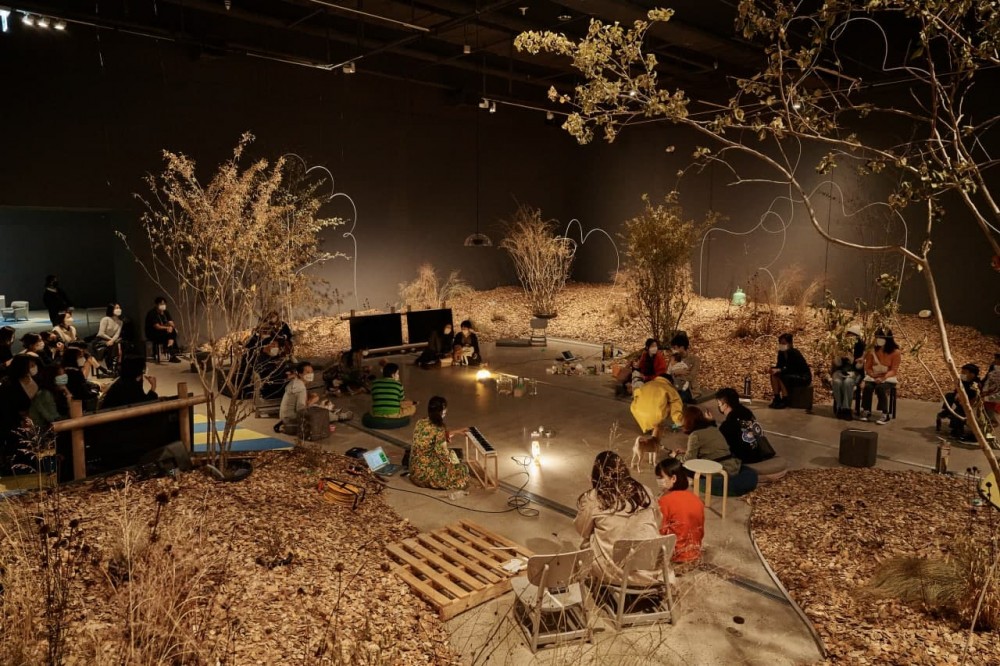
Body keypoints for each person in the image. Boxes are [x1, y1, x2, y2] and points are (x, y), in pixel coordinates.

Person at [574, 450, 662, 586]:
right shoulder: (644, 491)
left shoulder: (594, 498)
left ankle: (594, 585)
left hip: (616, 575)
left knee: (588, 541)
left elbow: (582, 530)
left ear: (597, 475)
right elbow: (658, 522)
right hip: (652, 571)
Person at [671, 405, 758, 497]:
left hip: (719, 469)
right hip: (733, 465)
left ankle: (695, 482)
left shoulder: (695, 435)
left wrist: (676, 456)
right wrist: (686, 451)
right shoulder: (712, 428)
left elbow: (689, 459)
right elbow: (710, 449)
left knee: (682, 466)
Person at [408, 396, 470, 490]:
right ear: (442, 411)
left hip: (414, 472)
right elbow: (442, 454)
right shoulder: (439, 428)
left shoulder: (420, 422)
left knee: (452, 455)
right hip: (424, 475)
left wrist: (456, 432)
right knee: (463, 469)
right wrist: (454, 466)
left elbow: (431, 436)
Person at [654, 457, 705, 564]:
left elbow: (660, 532)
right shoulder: (696, 499)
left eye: (661, 477)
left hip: (676, 556)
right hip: (695, 552)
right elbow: (700, 531)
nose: (659, 481)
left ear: (673, 478)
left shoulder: (665, 501)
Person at [715, 387, 773, 464]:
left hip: (744, 461)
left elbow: (719, 442)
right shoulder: (748, 414)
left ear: (725, 405)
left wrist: (711, 423)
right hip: (759, 454)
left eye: (719, 404)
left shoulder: (727, 425)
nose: (719, 406)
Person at [0, 355, 40, 459]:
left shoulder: (34, 379)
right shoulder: (9, 385)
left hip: (34, 421)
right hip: (17, 425)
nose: (34, 367)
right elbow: (7, 409)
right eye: (31, 365)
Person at [860, 328, 901, 424]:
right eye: (877, 338)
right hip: (873, 375)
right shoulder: (872, 350)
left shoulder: (896, 352)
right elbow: (868, 366)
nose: (878, 340)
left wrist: (883, 378)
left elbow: (894, 370)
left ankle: (885, 414)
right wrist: (872, 374)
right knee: (868, 387)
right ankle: (866, 410)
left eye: (881, 338)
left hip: (888, 377)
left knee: (880, 388)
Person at [936, 363, 981, 441]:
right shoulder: (964, 381)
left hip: (969, 404)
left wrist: (964, 402)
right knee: (949, 395)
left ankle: (957, 432)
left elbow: (975, 397)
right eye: (962, 372)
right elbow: (957, 390)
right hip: (960, 400)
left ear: (972, 374)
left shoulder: (976, 384)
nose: (962, 374)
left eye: (964, 372)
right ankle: (947, 411)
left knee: (958, 413)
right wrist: (957, 394)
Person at [630, 374, 684, 438]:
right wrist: (678, 421)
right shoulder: (668, 388)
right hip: (655, 416)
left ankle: (647, 426)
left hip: (639, 414)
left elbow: (635, 394)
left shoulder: (647, 384)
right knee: (672, 403)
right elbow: (676, 404)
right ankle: (655, 426)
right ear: (670, 381)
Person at [830, 324, 866, 419]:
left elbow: (859, 368)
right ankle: (839, 407)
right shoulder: (841, 346)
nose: (850, 338)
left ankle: (846, 408)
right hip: (840, 371)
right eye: (848, 335)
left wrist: (853, 360)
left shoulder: (861, 348)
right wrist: (838, 356)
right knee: (837, 382)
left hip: (855, 373)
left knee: (848, 382)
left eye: (853, 336)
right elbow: (837, 364)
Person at [768, 333, 812, 409]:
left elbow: (792, 368)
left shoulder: (794, 353)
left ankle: (785, 399)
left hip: (802, 376)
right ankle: (777, 397)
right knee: (774, 375)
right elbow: (779, 366)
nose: (782, 345)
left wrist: (779, 370)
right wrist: (773, 369)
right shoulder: (781, 353)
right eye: (780, 343)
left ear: (790, 344)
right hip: (789, 373)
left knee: (782, 376)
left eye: (784, 343)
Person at [276, 361, 319, 435]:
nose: (310, 374)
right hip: (291, 421)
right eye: (307, 372)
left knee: (317, 407)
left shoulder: (295, 382)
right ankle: (339, 416)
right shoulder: (301, 388)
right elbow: (301, 411)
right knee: (321, 413)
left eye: (311, 372)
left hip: (285, 418)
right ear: (300, 374)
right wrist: (312, 402)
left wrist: (309, 397)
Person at [28, 365, 71, 429]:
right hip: (42, 431)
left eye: (64, 374)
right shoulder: (45, 394)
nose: (64, 377)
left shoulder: (59, 392)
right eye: (60, 375)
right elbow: (54, 419)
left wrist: (67, 393)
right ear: (52, 377)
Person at [144, 296, 181, 363]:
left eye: (164, 304)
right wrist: (167, 328)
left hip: (164, 332)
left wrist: (172, 326)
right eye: (161, 304)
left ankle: (169, 348)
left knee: (173, 332)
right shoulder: (152, 313)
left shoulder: (166, 312)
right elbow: (157, 326)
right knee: (172, 334)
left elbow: (171, 322)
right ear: (156, 304)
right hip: (153, 333)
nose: (163, 305)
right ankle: (171, 353)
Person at [667, 332, 701, 403]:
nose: (673, 350)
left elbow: (691, 377)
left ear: (682, 348)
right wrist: (677, 372)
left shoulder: (695, 360)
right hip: (674, 386)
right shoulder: (674, 358)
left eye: (675, 348)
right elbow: (668, 374)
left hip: (689, 389)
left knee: (677, 399)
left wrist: (676, 374)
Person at [96, 302, 125, 375]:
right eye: (116, 308)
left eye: (119, 308)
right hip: (101, 339)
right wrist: (111, 340)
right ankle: (113, 368)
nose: (119, 309)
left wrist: (112, 340)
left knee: (117, 344)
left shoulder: (120, 322)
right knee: (114, 345)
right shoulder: (105, 319)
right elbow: (101, 333)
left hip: (113, 340)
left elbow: (117, 334)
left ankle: (114, 367)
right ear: (111, 309)